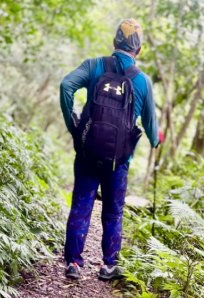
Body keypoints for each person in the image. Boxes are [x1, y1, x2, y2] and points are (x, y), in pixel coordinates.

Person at [60, 18, 162, 281]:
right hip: (119, 159)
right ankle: (108, 266)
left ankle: (73, 263)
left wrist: (73, 123)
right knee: (114, 211)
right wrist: (155, 141)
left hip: (87, 153)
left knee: (81, 205)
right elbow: (151, 123)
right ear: (138, 50)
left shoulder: (94, 65)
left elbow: (66, 85)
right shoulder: (142, 81)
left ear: (114, 42)